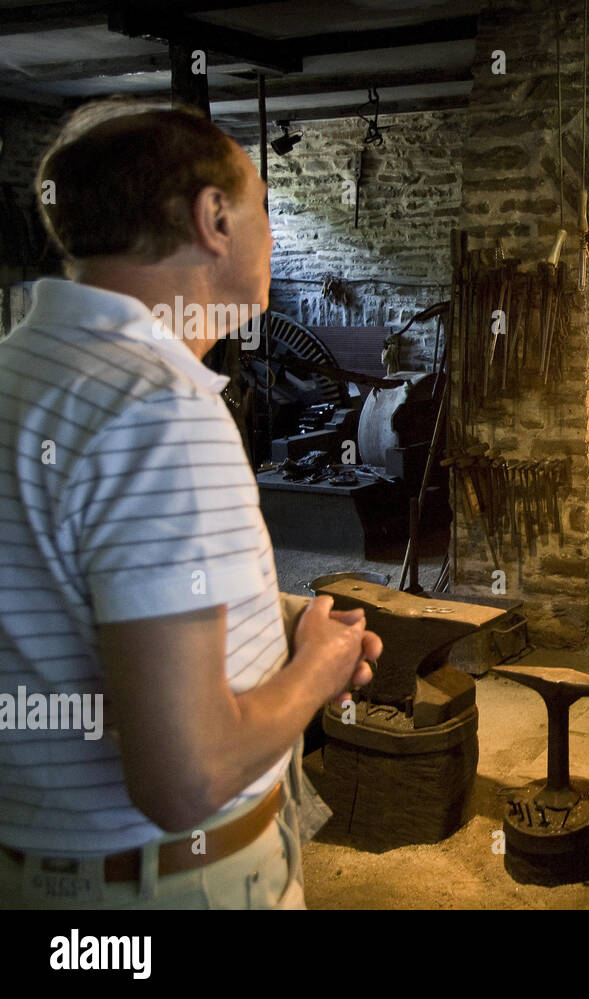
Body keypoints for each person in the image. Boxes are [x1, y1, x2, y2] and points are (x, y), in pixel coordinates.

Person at [0, 101, 380, 909]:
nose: (272, 238)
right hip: (166, 886)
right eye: (265, 212)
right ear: (214, 218)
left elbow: (68, 599)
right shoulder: (157, 408)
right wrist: (318, 669)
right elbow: (187, 776)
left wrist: (271, 623)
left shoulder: (19, 376)